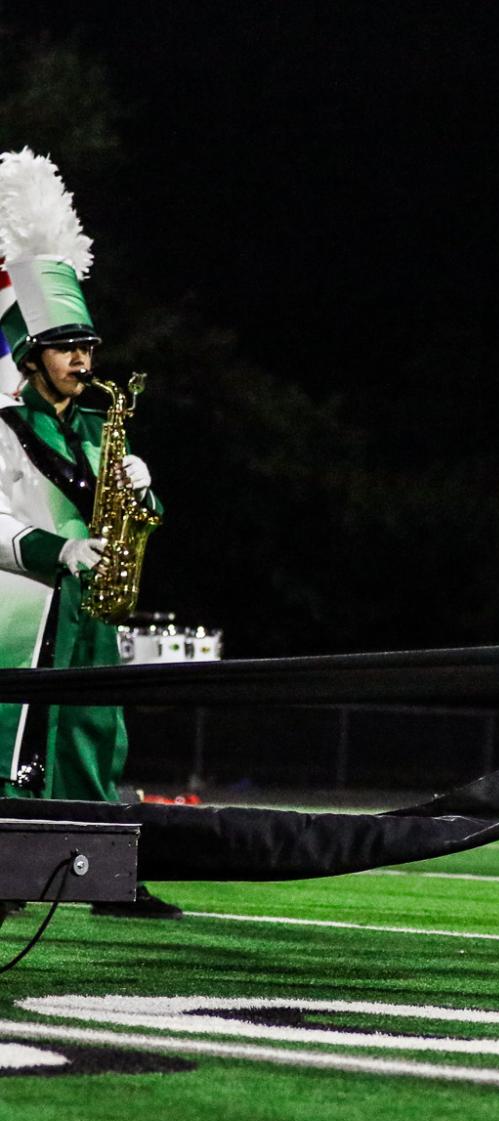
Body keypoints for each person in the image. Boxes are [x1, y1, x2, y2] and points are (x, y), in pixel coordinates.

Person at [0, 149, 177, 920]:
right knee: (10, 741)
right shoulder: (3, 425)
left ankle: (104, 873)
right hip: (19, 608)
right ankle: (6, 875)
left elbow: (140, 514)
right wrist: (60, 548)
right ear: (30, 355)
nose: (83, 358)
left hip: (87, 608)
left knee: (96, 736)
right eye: (67, 345)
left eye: (88, 345)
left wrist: (142, 494)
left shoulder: (104, 424)